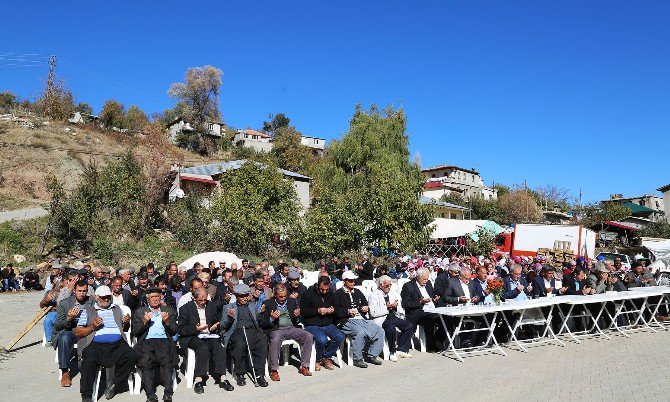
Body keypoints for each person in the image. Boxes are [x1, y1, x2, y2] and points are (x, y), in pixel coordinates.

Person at [75, 285, 136, 402]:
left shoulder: (117, 308)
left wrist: (126, 322)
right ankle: (86, 395)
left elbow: (125, 329)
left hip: (118, 344)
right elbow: (78, 332)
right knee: (88, 361)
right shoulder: (89, 310)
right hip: (95, 344)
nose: (106, 300)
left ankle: (114, 384)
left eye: (108, 297)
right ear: (96, 297)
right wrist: (93, 326)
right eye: (103, 297)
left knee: (131, 356)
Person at [177, 288, 232, 394]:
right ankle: (199, 379)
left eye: (204, 300)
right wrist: (195, 329)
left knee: (219, 347)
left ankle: (222, 378)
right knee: (202, 347)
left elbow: (215, 321)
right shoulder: (185, 308)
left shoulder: (211, 306)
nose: (203, 303)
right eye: (200, 300)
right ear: (194, 298)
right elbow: (181, 329)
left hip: (208, 335)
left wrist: (214, 327)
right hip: (192, 336)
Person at [132, 287, 179, 402]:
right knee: (145, 361)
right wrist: (144, 322)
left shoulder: (169, 311)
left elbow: (174, 331)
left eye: (157, 296)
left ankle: (168, 392)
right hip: (147, 341)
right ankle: (150, 394)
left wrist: (167, 322)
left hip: (164, 340)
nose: (155, 299)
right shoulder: (140, 312)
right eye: (152, 297)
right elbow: (135, 332)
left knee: (167, 360)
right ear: (148, 299)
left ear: (160, 297)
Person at [259, 284, 313, 380]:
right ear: (275, 295)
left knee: (308, 336)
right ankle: (274, 370)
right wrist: (272, 318)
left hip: (291, 327)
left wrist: (298, 315)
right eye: (280, 296)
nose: (283, 298)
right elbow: (263, 323)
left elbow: (297, 317)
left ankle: (304, 366)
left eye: (285, 296)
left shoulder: (291, 301)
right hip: (277, 329)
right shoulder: (268, 303)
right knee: (275, 339)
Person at [220, 284, 269, 387]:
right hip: (237, 332)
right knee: (239, 345)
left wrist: (261, 314)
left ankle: (259, 374)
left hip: (253, 331)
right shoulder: (228, 307)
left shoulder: (253, 306)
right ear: (236, 295)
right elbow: (222, 326)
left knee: (263, 342)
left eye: (246, 295)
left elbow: (259, 323)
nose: (244, 298)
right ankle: (240, 373)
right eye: (241, 296)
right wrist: (229, 318)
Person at [334, 271, 384, 368]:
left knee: (379, 330)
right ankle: (357, 358)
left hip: (360, 318)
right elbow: (336, 311)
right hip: (346, 320)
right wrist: (347, 312)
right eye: (350, 280)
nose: (353, 282)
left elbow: (364, 303)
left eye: (354, 280)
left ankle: (372, 355)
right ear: (344, 281)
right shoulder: (338, 294)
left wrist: (365, 308)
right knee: (360, 332)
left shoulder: (357, 292)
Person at [53, 279, 93, 387]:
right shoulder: (64, 303)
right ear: (74, 290)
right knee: (64, 337)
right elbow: (57, 325)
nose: (82, 293)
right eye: (79, 291)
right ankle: (65, 371)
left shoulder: (91, 301)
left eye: (84, 291)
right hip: (72, 331)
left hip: (87, 330)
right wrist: (69, 318)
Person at [300, 275, 345, 370]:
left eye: (326, 289)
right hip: (313, 324)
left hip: (327, 323)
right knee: (322, 340)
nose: (324, 292)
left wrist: (332, 310)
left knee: (340, 336)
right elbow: (303, 311)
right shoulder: (308, 294)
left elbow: (337, 309)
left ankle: (327, 357)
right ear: (318, 285)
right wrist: (317, 311)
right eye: (322, 289)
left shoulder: (332, 294)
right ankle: (318, 359)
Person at [367, 275, 413, 362]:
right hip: (381, 318)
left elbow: (397, 307)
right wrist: (387, 308)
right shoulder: (373, 296)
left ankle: (401, 349)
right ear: (380, 285)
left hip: (392, 316)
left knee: (409, 325)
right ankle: (392, 352)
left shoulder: (391, 293)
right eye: (386, 285)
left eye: (390, 285)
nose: (389, 287)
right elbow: (373, 313)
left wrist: (394, 307)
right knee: (390, 327)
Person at [400, 268, 443, 352]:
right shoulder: (408, 286)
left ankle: (437, 341)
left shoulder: (428, 283)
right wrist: (420, 301)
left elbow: (432, 295)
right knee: (429, 320)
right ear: (417, 277)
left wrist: (435, 298)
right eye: (424, 279)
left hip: (432, 309)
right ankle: (430, 345)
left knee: (446, 319)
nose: (426, 281)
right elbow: (405, 304)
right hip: (417, 312)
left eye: (427, 279)